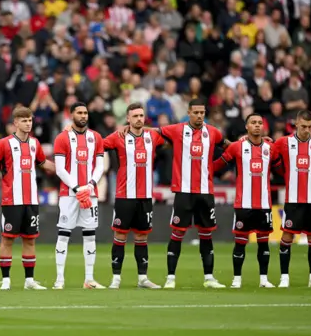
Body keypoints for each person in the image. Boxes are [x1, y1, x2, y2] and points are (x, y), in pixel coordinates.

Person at [156, 98, 229, 289]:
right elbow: (155, 131)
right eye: (195, 112)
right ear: (188, 113)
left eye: (202, 113)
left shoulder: (212, 132)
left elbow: (228, 145)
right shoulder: (177, 130)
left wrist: (249, 141)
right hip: (184, 191)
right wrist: (129, 129)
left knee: (206, 234)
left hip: (205, 192)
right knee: (178, 232)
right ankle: (170, 278)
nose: (199, 116)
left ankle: (209, 278)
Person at [0, 107, 55, 290]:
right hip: (11, 200)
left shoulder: (35, 143)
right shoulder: (5, 143)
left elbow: (43, 163)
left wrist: (64, 167)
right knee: (7, 239)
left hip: (31, 200)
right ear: (15, 123)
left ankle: (29, 280)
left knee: (30, 239)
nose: (28, 123)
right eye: (24, 120)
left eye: (30, 120)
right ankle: (6, 279)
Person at [212, 114, 282, 288]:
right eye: (253, 123)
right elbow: (218, 165)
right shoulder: (237, 147)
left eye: (260, 123)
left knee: (263, 243)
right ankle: (237, 279)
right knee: (240, 243)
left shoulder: (270, 148)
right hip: (243, 204)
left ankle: (264, 279)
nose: (257, 126)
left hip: (264, 204)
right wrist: (202, 171)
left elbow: (282, 169)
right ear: (247, 126)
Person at [103, 103, 163, 289]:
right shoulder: (118, 137)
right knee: (120, 236)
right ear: (127, 119)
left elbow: (172, 133)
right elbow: (96, 144)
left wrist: (148, 127)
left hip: (145, 197)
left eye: (141, 116)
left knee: (141, 237)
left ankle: (143, 279)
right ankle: (116, 278)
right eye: (135, 116)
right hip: (124, 196)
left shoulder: (152, 136)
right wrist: (69, 129)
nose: (139, 119)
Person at [274, 110, 311, 288]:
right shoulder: (284, 142)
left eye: (310, 126)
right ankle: (284, 277)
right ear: (296, 124)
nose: (307, 130)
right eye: (304, 126)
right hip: (292, 200)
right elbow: (268, 153)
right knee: (287, 236)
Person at [53, 102, 105, 289]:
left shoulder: (96, 137)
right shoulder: (62, 138)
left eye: (85, 113)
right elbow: (59, 169)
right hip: (69, 194)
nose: (83, 116)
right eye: (79, 112)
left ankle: (89, 279)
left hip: (90, 194)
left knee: (90, 234)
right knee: (64, 234)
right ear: (71, 114)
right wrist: (76, 188)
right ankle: (59, 279)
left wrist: (90, 186)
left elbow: (100, 165)